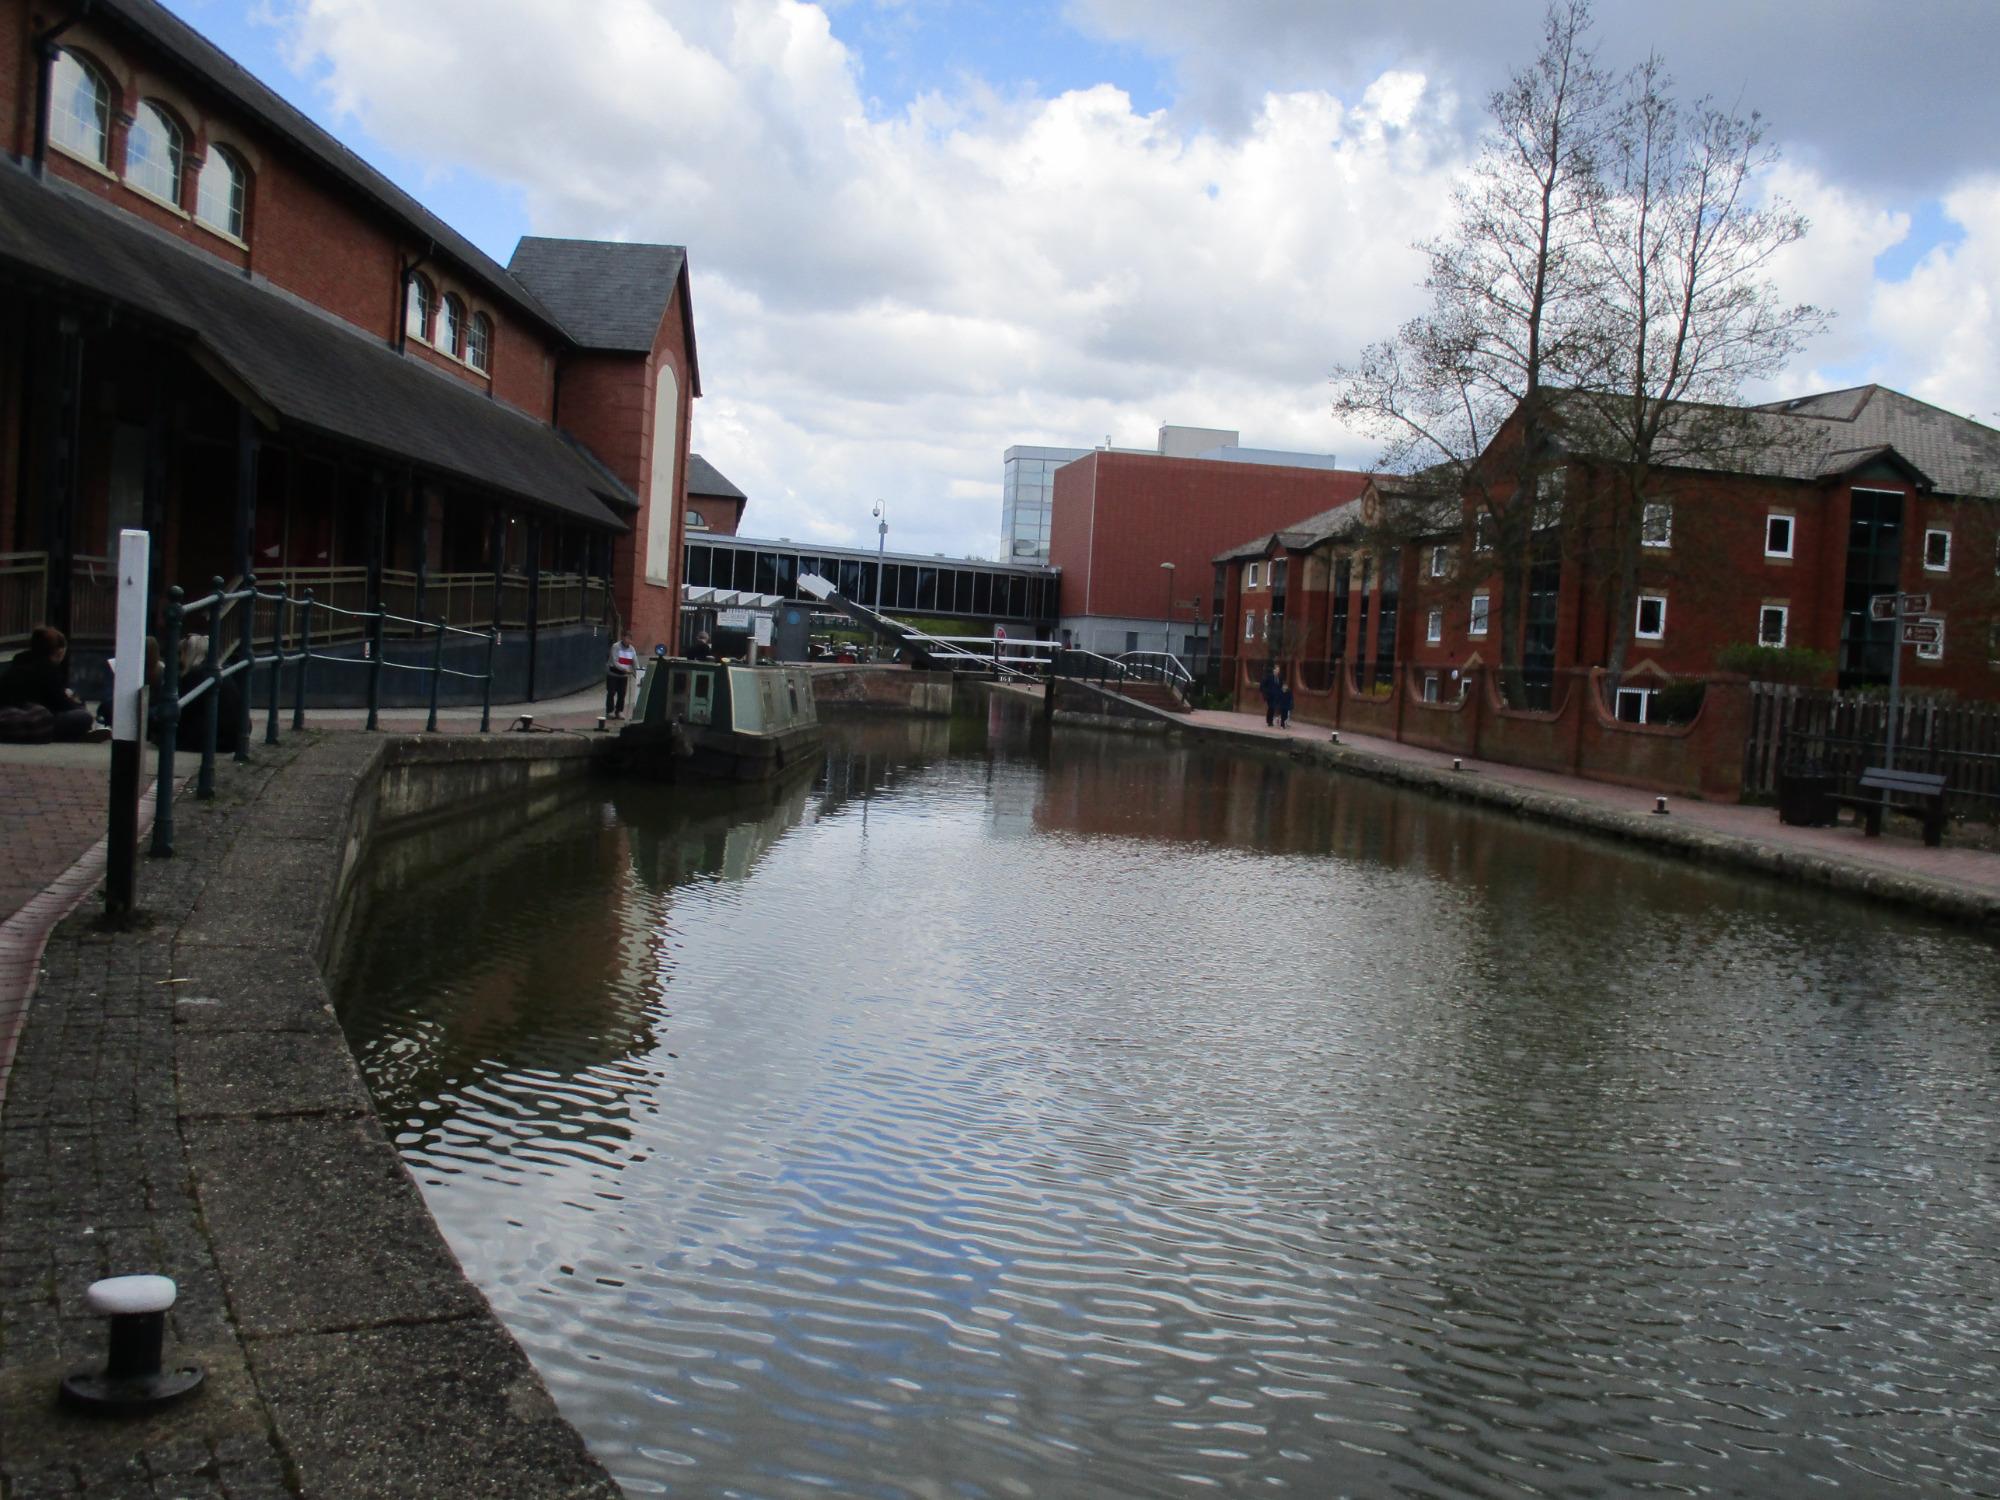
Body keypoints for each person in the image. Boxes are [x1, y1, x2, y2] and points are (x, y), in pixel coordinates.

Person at [0, 625, 105, 741]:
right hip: (37, 717)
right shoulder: (48, 670)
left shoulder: (18, 663)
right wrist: (76, 703)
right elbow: (59, 704)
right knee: (83, 717)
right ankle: (76, 734)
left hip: (9, 716)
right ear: (58, 652)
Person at [606, 631, 636, 718]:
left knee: (622, 694)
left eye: (629, 639)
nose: (627, 641)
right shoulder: (616, 647)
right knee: (611, 692)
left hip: (623, 675)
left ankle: (619, 711)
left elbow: (634, 661)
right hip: (613, 673)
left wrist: (636, 671)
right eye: (626, 638)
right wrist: (624, 669)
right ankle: (610, 711)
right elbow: (615, 662)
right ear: (622, 638)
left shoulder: (632, 649)